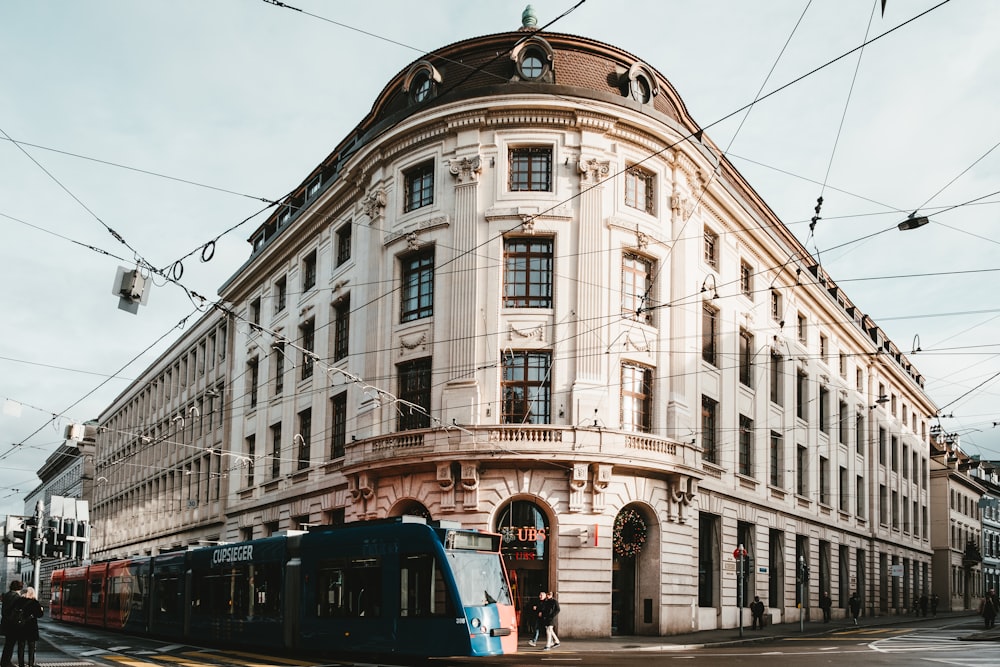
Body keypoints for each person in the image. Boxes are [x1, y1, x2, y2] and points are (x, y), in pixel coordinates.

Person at [11, 587, 43, 667]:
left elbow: (14, 612)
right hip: (31, 627)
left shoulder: (19, 601)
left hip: (20, 627)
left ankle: (21, 664)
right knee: (31, 647)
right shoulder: (35, 603)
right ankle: (30, 664)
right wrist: (41, 610)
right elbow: (39, 615)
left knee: (21, 647)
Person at [0, 580, 23, 667]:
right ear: (19, 588)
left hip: (6, 623)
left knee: (8, 643)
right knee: (10, 644)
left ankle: (4, 661)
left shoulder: (7, 595)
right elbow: (17, 610)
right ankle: (6, 662)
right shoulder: (16, 597)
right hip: (13, 624)